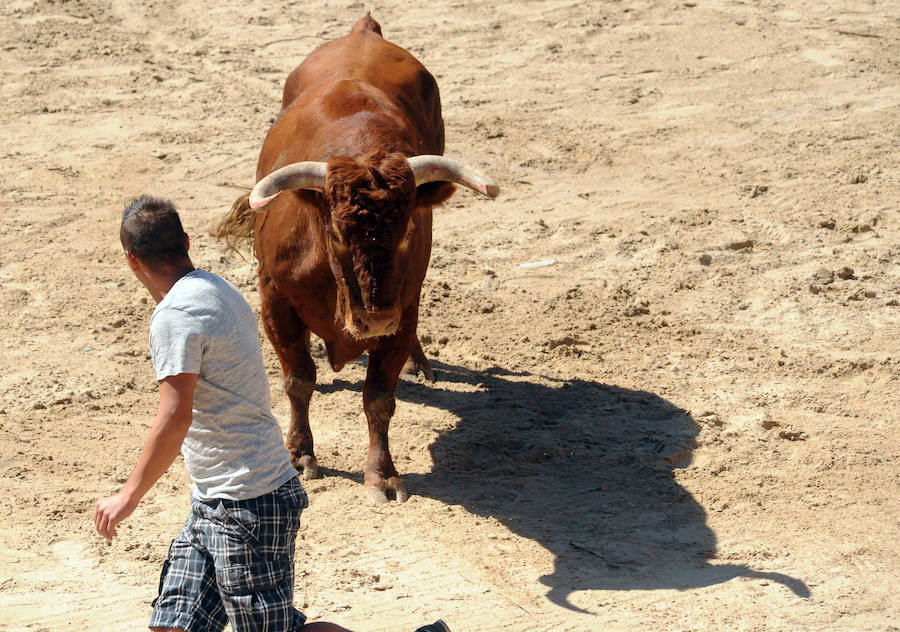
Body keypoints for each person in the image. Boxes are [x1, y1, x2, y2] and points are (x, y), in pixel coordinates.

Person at [94, 195, 450, 632]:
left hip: (247, 505)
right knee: (173, 625)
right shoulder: (214, 287)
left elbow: (175, 416)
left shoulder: (175, 317)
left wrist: (128, 495)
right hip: (215, 500)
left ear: (132, 260)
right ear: (185, 241)